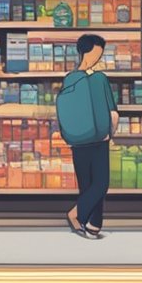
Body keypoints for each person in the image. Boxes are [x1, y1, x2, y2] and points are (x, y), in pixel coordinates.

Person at [57, 34, 118, 239]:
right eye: (96, 54)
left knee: (87, 185)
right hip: (99, 139)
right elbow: (113, 115)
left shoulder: (69, 79)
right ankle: (79, 216)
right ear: (86, 52)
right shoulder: (100, 79)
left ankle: (92, 225)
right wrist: (110, 133)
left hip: (77, 141)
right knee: (100, 184)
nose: (97, 58)